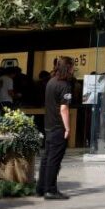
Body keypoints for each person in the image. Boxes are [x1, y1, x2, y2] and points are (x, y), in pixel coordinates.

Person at [37, 56, 74, 200]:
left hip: (49, 125)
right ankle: (50, 190)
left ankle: (41, 187)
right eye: (72, 67)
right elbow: (64, 108)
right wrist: (68, 128)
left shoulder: (51, 82)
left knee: (46, 158)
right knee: (54, 160)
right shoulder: (65, 85)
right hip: (59, 127)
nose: (73, 69)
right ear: (68, 68)